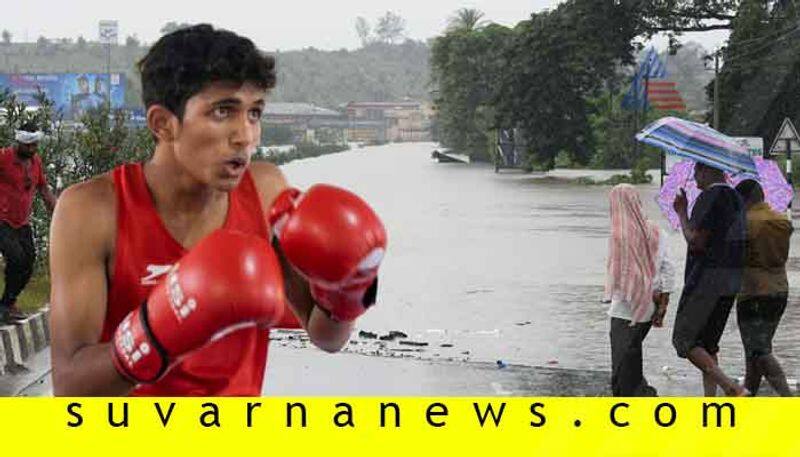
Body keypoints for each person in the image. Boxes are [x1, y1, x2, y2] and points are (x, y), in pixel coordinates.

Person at [49, 24, 387, 396]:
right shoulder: (91, 211)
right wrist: (157, 331)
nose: (246, 135)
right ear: (163, 124)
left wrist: (349, 292)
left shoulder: (265, 191)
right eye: (223, 111)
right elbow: (70, 387)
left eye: (254, 113)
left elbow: (326, 337)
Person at [672, 161, 748, 396]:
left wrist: (682, 212)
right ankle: (710, 402)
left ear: (706, 171)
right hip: (731, 280)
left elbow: (696, 241)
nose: (695, 179)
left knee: (684, 340)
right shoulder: (736, 199)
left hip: (706, 282)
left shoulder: (710, 197)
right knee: (708, 344)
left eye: (697, 172)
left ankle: (731, 387)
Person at [604, 184, 675, 396]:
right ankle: (641, 395)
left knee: (622, 363)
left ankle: (637, 400)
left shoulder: (620, 234)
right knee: (632, 356)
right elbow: (668, 269)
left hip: (626, 307)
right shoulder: (657, 231)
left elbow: (621, 274)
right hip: (649, 305)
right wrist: (662, 305)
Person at [734, 179, 793, 396]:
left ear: (744, 199)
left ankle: (789, 400)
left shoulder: (745, 223)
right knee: (754, 351)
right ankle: (748, 398)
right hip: (779, 290)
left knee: (759, 351)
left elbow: (732, 259)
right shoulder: (781, 220)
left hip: (753, 293)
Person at [0, 122, 57, 323]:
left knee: (28, 263)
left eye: (35, 145)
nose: (32, 149)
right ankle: (6, 306)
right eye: (28, 145)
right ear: (19, 142)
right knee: (16, 258)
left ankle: (7, 303)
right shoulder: (4, 157)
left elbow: (44, 189)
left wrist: (59, 212)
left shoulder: (36, 163)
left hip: (22, 222)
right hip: (2, 221)